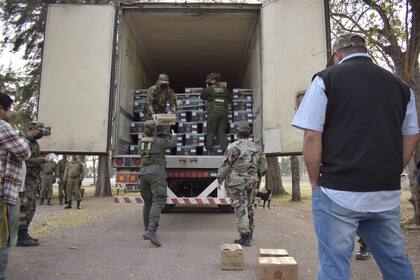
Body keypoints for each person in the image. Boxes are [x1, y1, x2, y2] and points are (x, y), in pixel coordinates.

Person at [292, 33, 419, 280]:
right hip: (385, 193)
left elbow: (311, 136)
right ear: (365, 51)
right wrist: (392, 171)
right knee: (395, 262)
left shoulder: (326, 79)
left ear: (338, 56)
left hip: (338, 191)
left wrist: (315, 180)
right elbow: (412, 137)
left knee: (334, 265)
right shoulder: (401, 88)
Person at [217, 122, 267, 247]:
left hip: (237, 182)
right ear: (248, 134)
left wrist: (220, 178)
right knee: (250, 206)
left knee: (240, 207)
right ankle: (250, 233)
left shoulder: (233, 146)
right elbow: (264, 167)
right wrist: (257, 176)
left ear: (238, 133)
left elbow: (226, 165)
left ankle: (245, 237)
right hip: (252, 181)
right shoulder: (256, 147)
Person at [0, 91, 31, 280]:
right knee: (2, 239)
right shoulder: (2, 126)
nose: (10, 114)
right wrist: (22, 137)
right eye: (8, 110)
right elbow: (25, 150)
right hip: (3, 195)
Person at [139, 120, 176, 247]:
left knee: (148, 202)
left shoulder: (141, 142)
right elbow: (172, 144)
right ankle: (151, 230)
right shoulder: (160, 142)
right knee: (158, 200)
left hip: (143, 172)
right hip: (156, 172)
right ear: (154, 130)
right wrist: (173, 135)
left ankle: (147, 229)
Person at [17, 122, 49, 247]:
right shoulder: (23, 141)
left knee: (31, 207)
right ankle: (21, 236)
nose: (41, 133)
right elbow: (26, 161)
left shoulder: (35, 143)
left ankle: (23, 233)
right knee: (25, 206)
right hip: (24, 178)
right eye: (39, 130)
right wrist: (43, 159)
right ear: (32, 128)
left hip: (32, 179)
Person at [201, 73, 231, 154]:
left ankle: (209, 150)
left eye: (208, 81)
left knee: (211, 131)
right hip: (224, 112)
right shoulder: (225, 89)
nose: (208, 82)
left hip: (213, 112)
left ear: (213, 80)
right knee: (221, 132)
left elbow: (202, 96)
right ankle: (225, 150)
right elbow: (230, 97)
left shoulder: (210, 89)